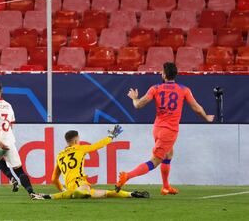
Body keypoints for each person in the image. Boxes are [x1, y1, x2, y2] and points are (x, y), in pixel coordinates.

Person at [116, 62, 215, 195]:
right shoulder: (184, 90)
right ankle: (127, 176)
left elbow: (138, 105)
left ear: (163, 74)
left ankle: (166, 187)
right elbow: (196, 108)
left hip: (157, 128)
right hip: (169, 130)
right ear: (176, 74)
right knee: (156, 160)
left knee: (169, 154)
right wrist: (206, 117)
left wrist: (134, 98)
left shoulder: (155, 88)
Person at [43, 126, 149, 200]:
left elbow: (54, 179)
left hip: (70, 186)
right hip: (79, 183)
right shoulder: (80, 148)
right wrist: (111, 137)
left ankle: (132, 194)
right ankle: (53, 196)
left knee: (107, 193)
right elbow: (98, 145)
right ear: (75, 141)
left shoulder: (60, 155)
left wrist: (62, 189)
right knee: (84, 190)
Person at [0, 80, 43, 200]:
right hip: (9, 142)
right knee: (19, 170)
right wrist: (5, 138)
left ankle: (11, 177)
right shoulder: (8, 105)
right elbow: (11, 124)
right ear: (2, 91)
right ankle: (32, 193)